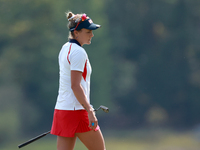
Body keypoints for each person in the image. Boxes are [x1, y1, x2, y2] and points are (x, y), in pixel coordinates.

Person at [50, 11, 106, 150]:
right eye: (88, 31)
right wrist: (90, 110)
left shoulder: (65, 48)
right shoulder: (78, 52)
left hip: (62, 111)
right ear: (76, 33)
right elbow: (75, 86)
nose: (92, 35)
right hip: (77, 111)